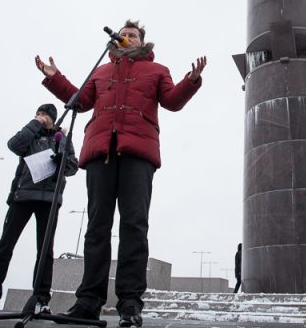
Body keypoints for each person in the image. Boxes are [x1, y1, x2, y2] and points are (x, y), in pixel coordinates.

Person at [35, 20, 206, 326]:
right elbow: (80, 102)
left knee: (134, 226)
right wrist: (55, 78)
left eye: (133, 35)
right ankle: (88, 301)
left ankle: (130, 302)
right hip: (101, 151)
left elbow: (172, 102)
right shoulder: (101, 71)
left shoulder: (157, 71)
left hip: (138, 155)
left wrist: (190, 80)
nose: (127, 38)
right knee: (97, 227)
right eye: (123, 35)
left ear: (142, 42)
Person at [0, 103, 78, 314]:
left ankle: (41, 299)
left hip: (49, 199)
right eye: (38, 114)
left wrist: (62, 160)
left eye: (44, 114)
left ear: (53, 118)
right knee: (5, 246)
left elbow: (73, 166)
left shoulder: (63, 139)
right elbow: (14, 145)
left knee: (45, 251)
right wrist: (33, 124)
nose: (40, 117)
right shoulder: (31, 136)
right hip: (23, 196)